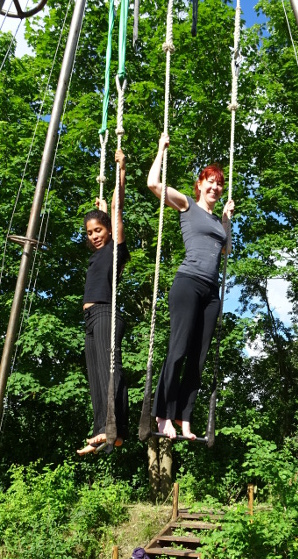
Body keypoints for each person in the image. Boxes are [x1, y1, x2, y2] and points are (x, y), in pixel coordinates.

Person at [147, 133, 234, 440]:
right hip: (188, 283)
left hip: (211, 292)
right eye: (210, 181)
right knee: (179, 349)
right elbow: (153, 185)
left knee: (198, 358)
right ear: (200, 184)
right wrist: (161, 150)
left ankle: (185, 418)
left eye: (219, 183)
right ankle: (163, 416)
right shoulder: (187, 205)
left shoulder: (217, 219)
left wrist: (227, 220)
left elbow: (226, 250)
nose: (215, 187)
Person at [77, 148, 130, 456]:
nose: (94, 235)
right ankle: (104, 432)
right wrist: (99, 209)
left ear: (110, 231)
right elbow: (107, 211)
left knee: (111, 371)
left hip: (105, 314)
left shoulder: (115, 250)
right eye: (90, 232)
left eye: (99, 230)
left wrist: (120, 172)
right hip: (91, 318)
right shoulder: (98, 255)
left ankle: (115, 429)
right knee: (96, 376)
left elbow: (117, 207)